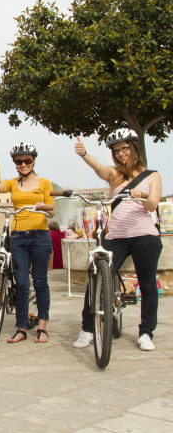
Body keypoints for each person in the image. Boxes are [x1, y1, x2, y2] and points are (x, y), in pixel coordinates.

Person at [72, 130, 163, 352]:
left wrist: (142, 197)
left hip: (145, 236)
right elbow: (98, 168)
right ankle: (88, 329)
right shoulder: (114, 175)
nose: (121, 153)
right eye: (116, 150)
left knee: (148, 284)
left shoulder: (152, 175)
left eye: (125, 148)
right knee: (96, 279)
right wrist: (85, 154)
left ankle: (146, 333)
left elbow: (152, 205)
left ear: (134, 148)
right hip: (117, 237)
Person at [0, 142, 54, 343]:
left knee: (40, 281)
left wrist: (44, 206)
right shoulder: (13, 183)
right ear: (15, 163)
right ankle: (21, 327)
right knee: (21, 284)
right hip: (18, 237)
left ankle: (42, 326)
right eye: (19, 161)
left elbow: (52, 211)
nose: (23, 164)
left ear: (33, 160)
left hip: (40, 235)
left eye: (27, 160)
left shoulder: (45, 183)